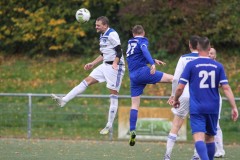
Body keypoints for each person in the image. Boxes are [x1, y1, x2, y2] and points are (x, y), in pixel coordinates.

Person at [51, 16, 125, 135]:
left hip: (115, 68)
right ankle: (64, 100)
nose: (96, 27)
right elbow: (104, 53)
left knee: (113, 94)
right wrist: (93, 63)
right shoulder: (102, 35)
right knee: (87, 80)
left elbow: (119, 51)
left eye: (98, 25)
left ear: (105, 25)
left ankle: (109, 124)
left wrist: (115, 63)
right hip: (105, 65)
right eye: (96, 25)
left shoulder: (112, 34)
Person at [172, 37, 238, 160]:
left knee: (198, 137)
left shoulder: (191, 65)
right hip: (213, 106)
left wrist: (176, 99)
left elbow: (180, 87)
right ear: (209, 49)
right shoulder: (218, 66)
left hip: (197, 106)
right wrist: (234, 107)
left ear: (197, 48)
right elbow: (226, 88)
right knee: (210, 138)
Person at [125, 25, 173, 146]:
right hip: (143, 72)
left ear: (133, 33)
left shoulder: (130, 42)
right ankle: (178, 96)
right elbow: (144, 50)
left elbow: (137, 57)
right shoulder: (142, 40)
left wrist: (153, 59)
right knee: (173, 79)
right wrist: (152, 64)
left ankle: (132, 131)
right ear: (144, 32)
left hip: (133, 76)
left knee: (135, 105)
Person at [163, 35, 200, 160]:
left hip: (184, 95)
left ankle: (167, 155)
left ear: (190, 45)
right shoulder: (205, 58)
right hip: (200, 96)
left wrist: (174, 95)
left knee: (176, 125)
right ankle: (196, 155)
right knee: (198, 126)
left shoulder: (184, 58)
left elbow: (176, 79)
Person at [192, 48, 226, 159]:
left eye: (212, 53)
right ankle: (198, 153)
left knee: (216, 125)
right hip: (202, 100)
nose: (209, 54)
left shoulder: (217, 67)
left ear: (215, 56)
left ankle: (220, 150)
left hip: (214, 99)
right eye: (208, 52)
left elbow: (222, 84)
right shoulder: (201, 66)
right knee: (199, 129)